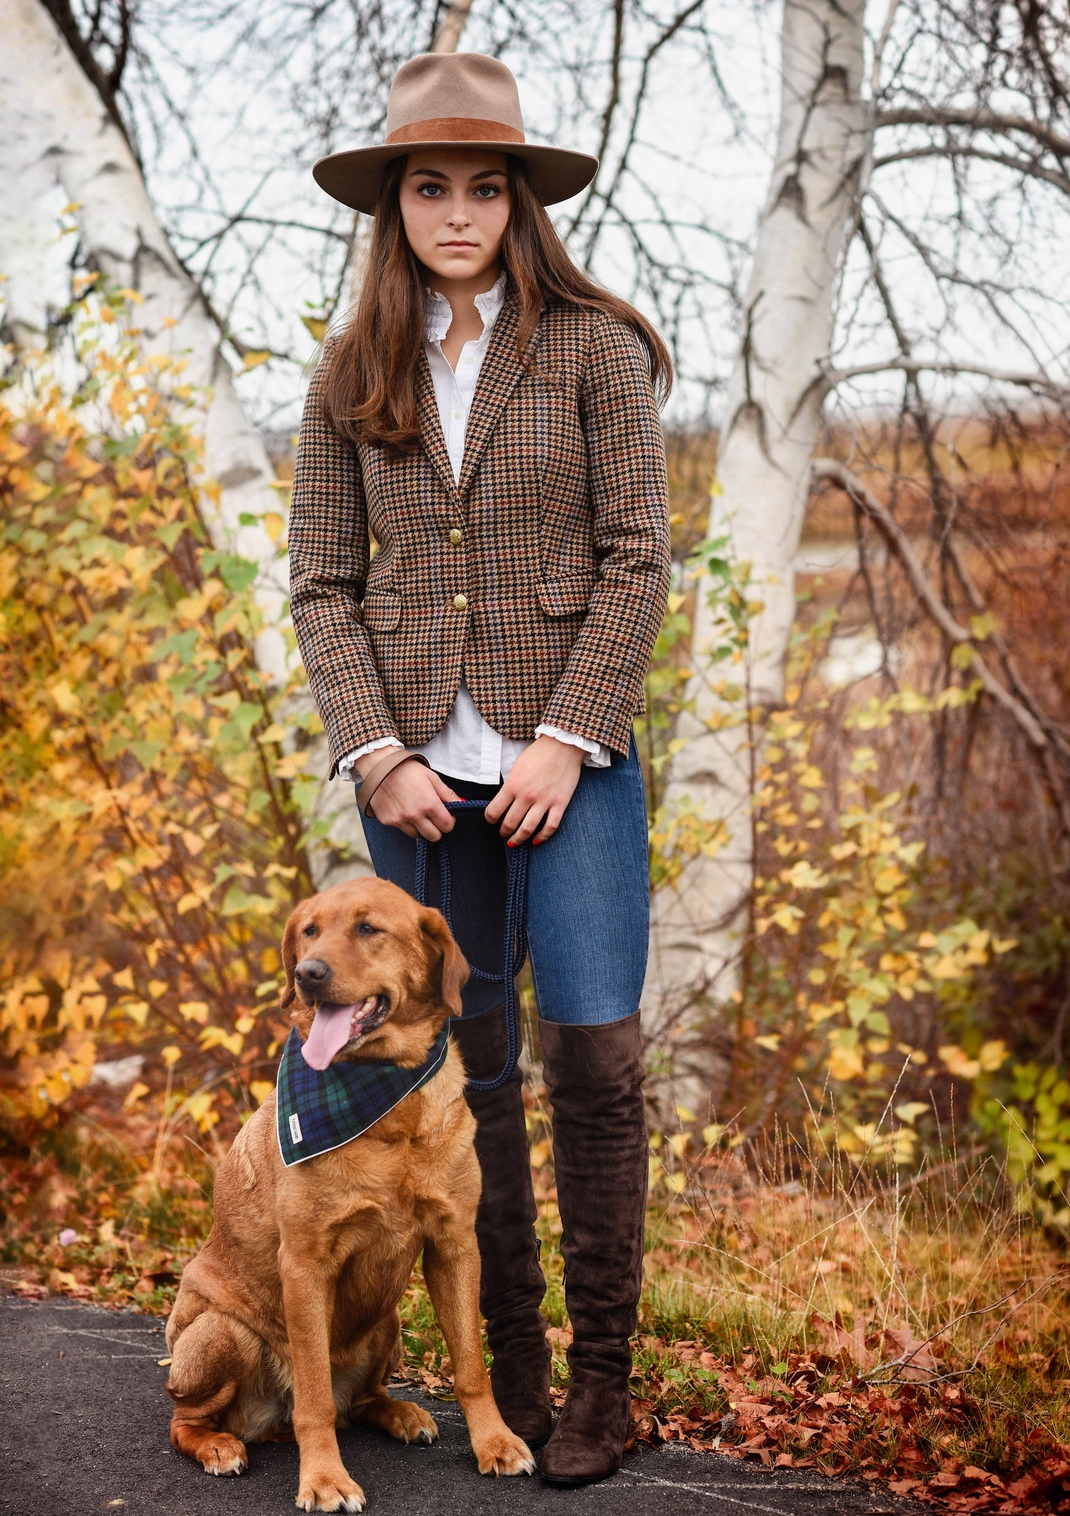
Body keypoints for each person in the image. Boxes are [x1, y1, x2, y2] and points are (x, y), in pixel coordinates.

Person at [288, 50, 671, 1487]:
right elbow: (323, 582)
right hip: (413, 779)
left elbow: (639, 559)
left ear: (519, 202)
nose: (457, 212)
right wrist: (375, 749)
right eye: (430, 187)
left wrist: (567, 741)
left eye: (484, 186)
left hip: (564, 760)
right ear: (393, 207)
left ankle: (603, 1385)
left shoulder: (591, 352)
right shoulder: (351, 372)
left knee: (591, 1051)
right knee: (470, 1063)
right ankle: (503, 1376)